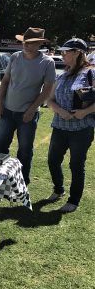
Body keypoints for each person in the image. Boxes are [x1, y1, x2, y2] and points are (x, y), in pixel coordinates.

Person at [0, 27, 56, 185]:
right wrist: (0, 103)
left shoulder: (47, 62)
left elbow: (47, 90)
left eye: (30, 43)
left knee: (25, 149)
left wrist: (31, 110)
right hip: (7, 110)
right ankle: (2, 178)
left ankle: (22, 181)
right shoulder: (15, 57)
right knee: (1, 144)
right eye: (24, 42)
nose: (26, 45)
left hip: (27, 114)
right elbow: (5, 81)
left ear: (39, 44)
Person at [45, 38, 95, 212]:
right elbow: (49, 100)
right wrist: (60, 110)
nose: (62, 54)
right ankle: (58, 189)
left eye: (66, 51)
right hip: (59, 126)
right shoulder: (63, 74)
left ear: (77, 53)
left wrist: (84, 112)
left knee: (76, 165)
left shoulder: (90, 73)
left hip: (81, 130)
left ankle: (73, 201)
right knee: (52, 161)